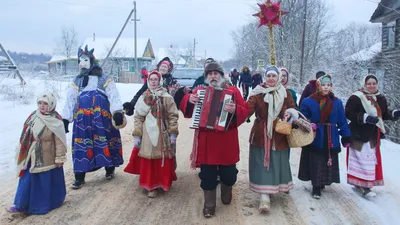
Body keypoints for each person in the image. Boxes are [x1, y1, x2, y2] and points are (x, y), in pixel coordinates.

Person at [179, 62, 248, 218]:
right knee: (207, 175)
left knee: (229, 174)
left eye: (216, 73)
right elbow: (187, 110)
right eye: (210, 74)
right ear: (206, 77)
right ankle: (209, 205)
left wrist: (235, 109)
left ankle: (226, 190)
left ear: (221, 76)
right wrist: (189, 99)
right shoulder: (199, 91)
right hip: (207, 141)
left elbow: (245, 111)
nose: (213, 76)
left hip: (227, 141)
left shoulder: (233, 91)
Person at [62, 45, 126, 189]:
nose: (81, 63)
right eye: (80, 60)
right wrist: (65, 118)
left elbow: (113, 94)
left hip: (102, 118)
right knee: (82, 145)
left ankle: (109, 169)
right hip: (82, 121)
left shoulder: (104, 78)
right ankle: (79, 176)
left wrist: (117, 112)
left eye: (84, 60)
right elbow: (70, 99)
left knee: (106, 141)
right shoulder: (77, 80)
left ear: (91, 61)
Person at [246, 65, 296, 213]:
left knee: (276, 161)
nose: (271, 79)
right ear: (265, 77)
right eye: (268, 76)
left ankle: (275, 187)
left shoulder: (286, 93)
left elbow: (293, 107)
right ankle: (264, 197)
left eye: (274, 76)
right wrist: (236, 113)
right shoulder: (257, 93)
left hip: (279, 133)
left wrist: (290, 113)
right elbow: (247, 108)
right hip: (261, 133)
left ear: (278, 78)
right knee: (262, 162)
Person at [9, 93, 67, 214]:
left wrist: (59, 158)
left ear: (51, 105)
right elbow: (26, 134)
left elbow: (60, 141)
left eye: (45, 104)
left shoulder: (56, 121)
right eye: (40, 103)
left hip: (48, 156)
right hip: (32, 154)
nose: (42, 106)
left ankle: (41, 206)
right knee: (27, 180)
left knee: (44, 181)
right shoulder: (33, 116)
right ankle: (21, 204)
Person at [124, 70, 179, 198]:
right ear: (148, 81)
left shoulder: (166, 97)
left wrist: (173, 132)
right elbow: (138, 117)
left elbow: (173, 116)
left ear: (159, 81)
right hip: (147, 134)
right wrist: (137, 134)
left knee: (161, 157)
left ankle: (162, 182)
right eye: (151, 79)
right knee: (149, 158)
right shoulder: (143, 98)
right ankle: (150, 185)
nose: (153, 82)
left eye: (155, 79)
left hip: (163, 132)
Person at [345, 75, 400, 197]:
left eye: (374, 83)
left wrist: (393, 114)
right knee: (361, 160)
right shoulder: (356, 97)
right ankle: (363, 186)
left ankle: (366, 184)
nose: (371, 86)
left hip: (373, 135)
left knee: (370, 160)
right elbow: (349, 113)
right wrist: (364, 118)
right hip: (359, 134)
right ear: (364, 84)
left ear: (377, 84)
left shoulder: (380, 98)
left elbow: (383, 114)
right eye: (369, 83)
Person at [298, 74, 351, 199]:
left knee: (327, 159)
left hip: (331, 134)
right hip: (316, 135)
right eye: (323, 85)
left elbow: (342, 120)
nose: (326, 88)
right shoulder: (309, 101)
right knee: (316, 159)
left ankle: (323, 182)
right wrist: (310, 124)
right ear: (318, 86)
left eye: (329, 85)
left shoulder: (337, 102)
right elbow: (302, 117)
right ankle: (316, 186)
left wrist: (346, 136)